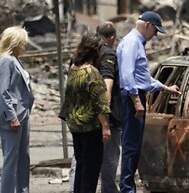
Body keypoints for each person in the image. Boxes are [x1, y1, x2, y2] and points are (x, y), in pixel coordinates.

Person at [117, 11, 181, 193]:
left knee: (134, 147)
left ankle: (128, 188)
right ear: (147, 26)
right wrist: (137, 101)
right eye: (155, 31)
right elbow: (128, 76)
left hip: (135, 97)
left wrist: (165, 88)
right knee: (131, 147)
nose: (154, 36)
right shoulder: (131, 43)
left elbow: (142, 77)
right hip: (132, 100)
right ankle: (127, 190)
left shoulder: (136, 42)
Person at [62, 33, 111, 193]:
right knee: (90, 171)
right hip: (91, 128)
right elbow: (100, 103)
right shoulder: (92, 72)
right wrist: (105, 126)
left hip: (76, 127)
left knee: (81, 167)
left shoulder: (73, 69)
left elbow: (68, 98)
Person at [0, 26, 34, 193]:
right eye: (23, 43)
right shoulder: (6, 61)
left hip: (23, 115)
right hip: (14, 117)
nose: (25, 46)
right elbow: (3, 91)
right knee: (11, 160)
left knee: (23, 159)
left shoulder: (16, 60)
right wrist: (11, 116)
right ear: (14, 43)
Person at [96, 22, 122, 193]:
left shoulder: (89, 52)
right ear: (112, 38)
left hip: (90, 116)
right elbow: (107, 87)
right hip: (108, 117)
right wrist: (106, 122)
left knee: (86, 159)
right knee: (110, 160)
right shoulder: (108, 55)